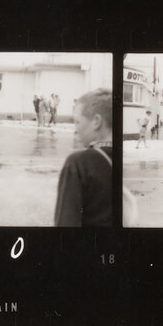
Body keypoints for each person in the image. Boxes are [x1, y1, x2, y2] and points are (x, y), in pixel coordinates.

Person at [53, 89, 117, 227]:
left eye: (77, 122)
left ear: (96, 121)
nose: (75, 129)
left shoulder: (78, 163)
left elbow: (66, 223)